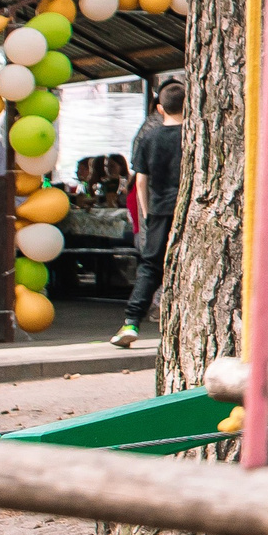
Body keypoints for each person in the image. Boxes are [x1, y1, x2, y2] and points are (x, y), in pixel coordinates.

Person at [110, 80, 185, 347]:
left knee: (150, 266)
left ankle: (131, 322)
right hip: (189, 210)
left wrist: (147, 212)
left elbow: (140, 181)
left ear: (160, 108)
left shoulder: (149, 138)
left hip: (159, 210)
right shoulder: (195, 135)